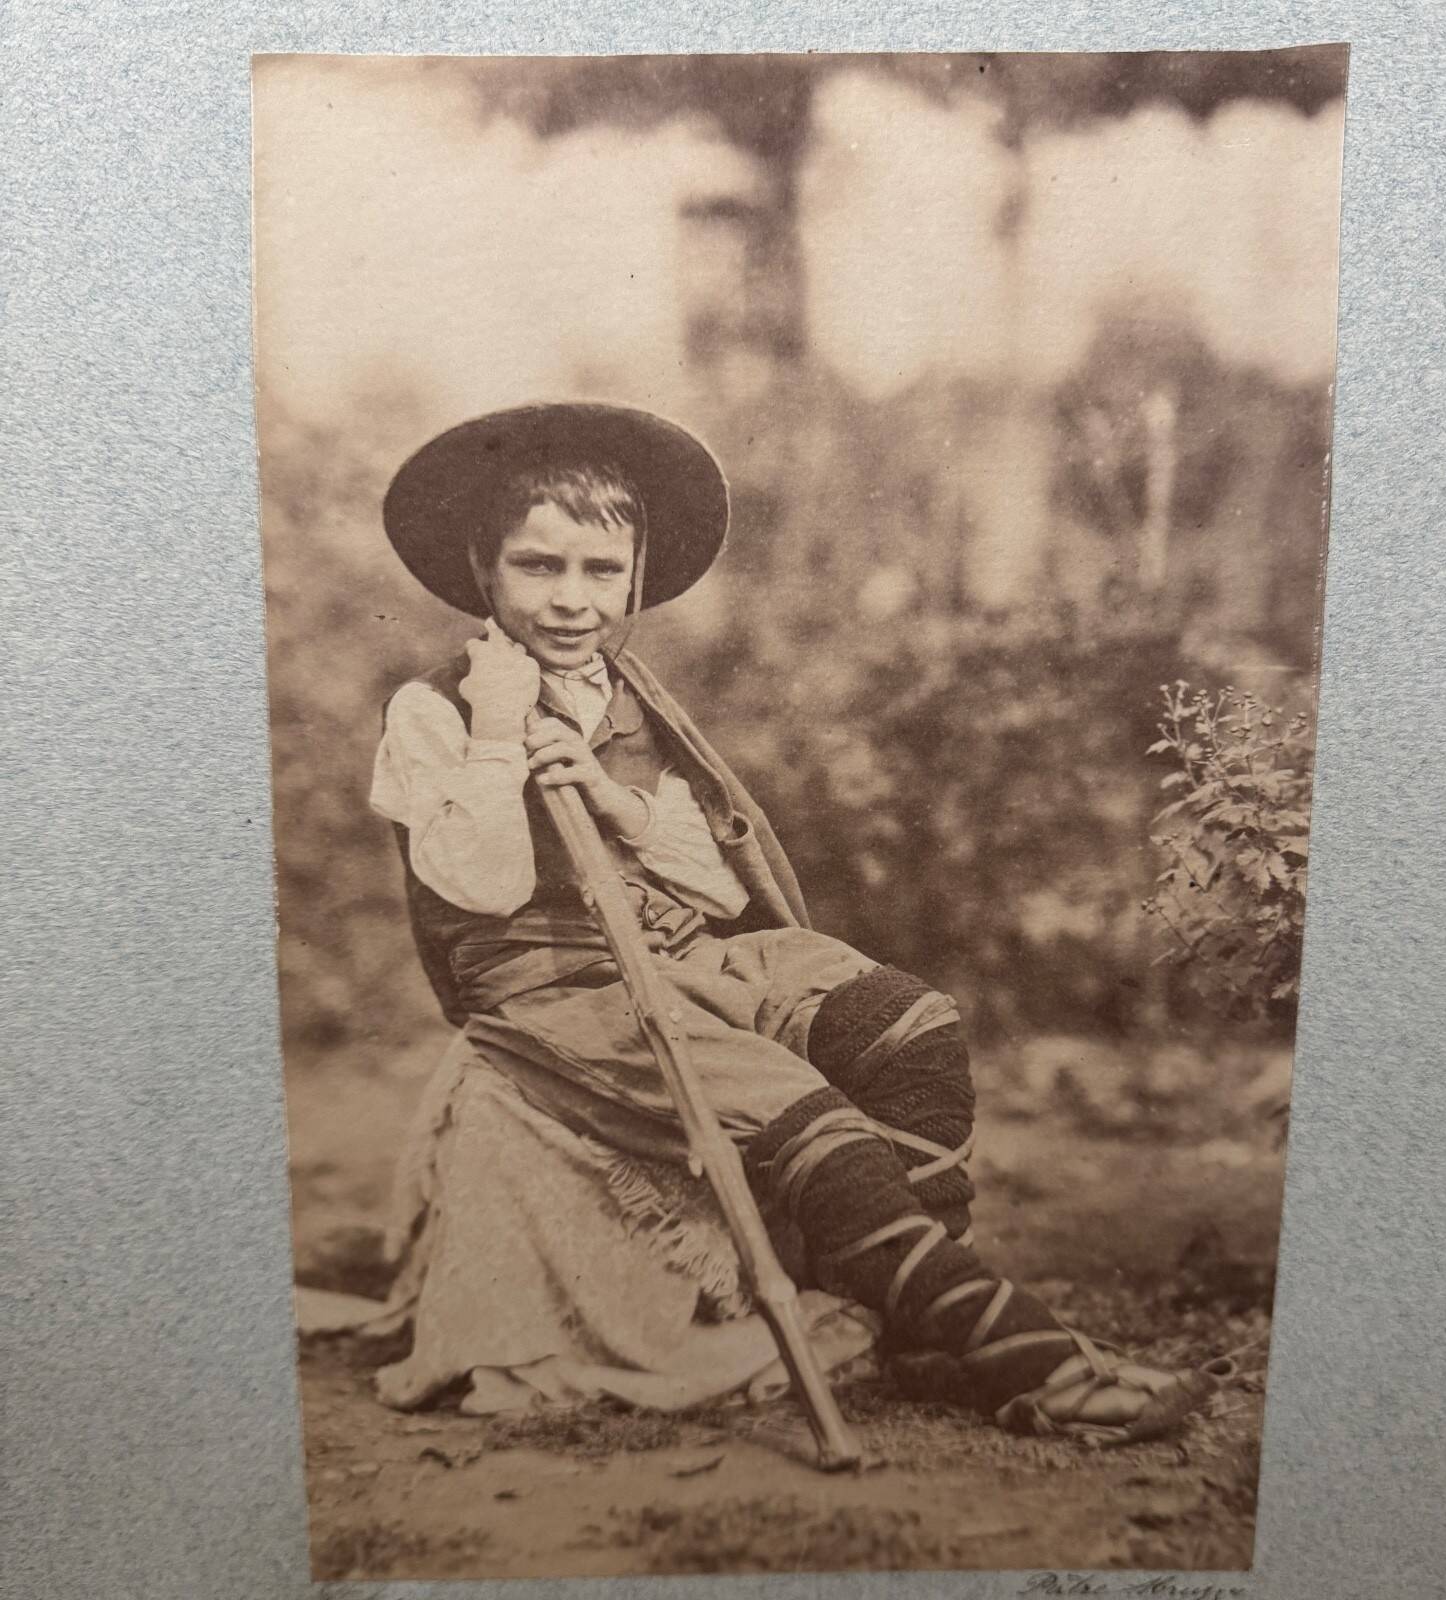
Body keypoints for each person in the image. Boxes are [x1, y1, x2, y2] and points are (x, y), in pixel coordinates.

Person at [368, 402, 1219, 1441]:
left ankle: (914, 1336)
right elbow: (481, 888)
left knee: (906, 1026)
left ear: (633, 574)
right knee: (793, 1109)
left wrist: (608, 793)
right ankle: (1028, 1358)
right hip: (550, 995)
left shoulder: (630, 695)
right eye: (538, 567)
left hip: (679, 952)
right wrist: (502, 729)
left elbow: (718, 887)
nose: (571, 600)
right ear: (482, 567)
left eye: (599, 570)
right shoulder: (438, 708)